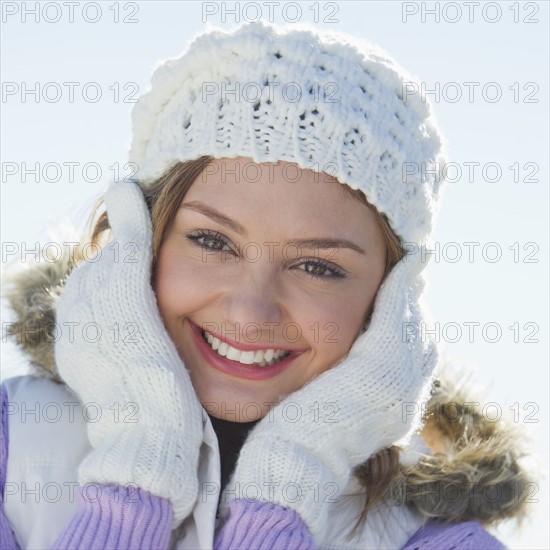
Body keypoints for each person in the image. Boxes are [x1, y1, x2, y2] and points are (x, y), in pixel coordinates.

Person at [1, 21, 531, 549]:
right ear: (139, 240)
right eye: (212, 241)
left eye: (318, 267)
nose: (250, 313)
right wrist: (135, 473)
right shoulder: (14, 446)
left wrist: (285, 494)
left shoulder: (434, 539)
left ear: (390, 303)